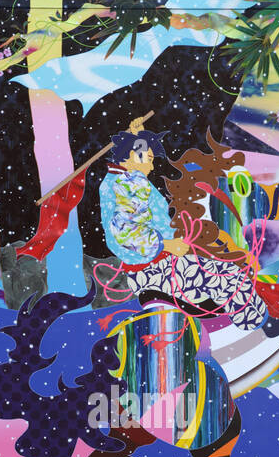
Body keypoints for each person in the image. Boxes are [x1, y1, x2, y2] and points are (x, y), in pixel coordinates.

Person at [97, 123, 269, 331]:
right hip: (155, 268)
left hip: (155, 263)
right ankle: (257, 326)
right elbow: (126, 232)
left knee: (220, 269)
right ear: (134, 156)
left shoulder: (117, 179)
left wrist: (135, 136)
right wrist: (167, 245)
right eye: (149, 159)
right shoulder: (130, 182)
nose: (151, 167)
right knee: (230, 277)